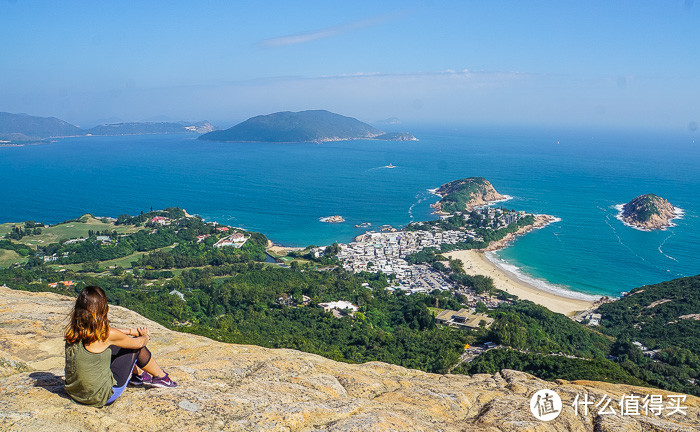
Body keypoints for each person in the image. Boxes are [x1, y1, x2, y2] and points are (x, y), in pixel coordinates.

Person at [64, 285, 176, 407]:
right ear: (102, 308)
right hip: (101, 396)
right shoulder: (106, 335)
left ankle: (138, 375)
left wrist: (130, 331)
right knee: (136, 348)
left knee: (116, 345)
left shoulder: (73, 332)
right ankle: (161, 377)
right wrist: (145, 336)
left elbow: (107, 333)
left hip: (75, 393)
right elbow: (138, 343)